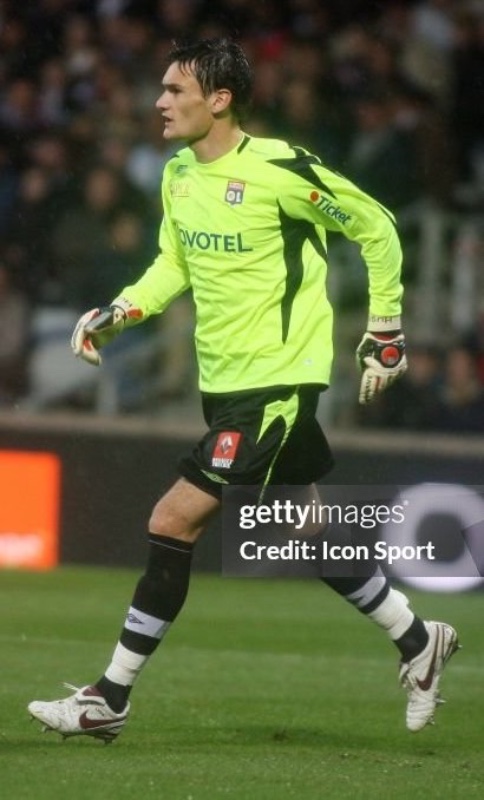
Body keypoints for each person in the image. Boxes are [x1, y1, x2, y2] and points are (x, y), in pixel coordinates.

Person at [28, 38, 458, 743]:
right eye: (161, 91)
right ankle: (417, 639)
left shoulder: (281, 169)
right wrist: (117, 315)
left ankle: (108, 698)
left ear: (219, 99)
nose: (160, 103)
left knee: (173, 520)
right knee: (302, 527)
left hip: (277, 386)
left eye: (175, 91)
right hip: (224, 385)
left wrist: (386, 327)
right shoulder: (177, 176)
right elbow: (172, 265)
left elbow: (377, 226)